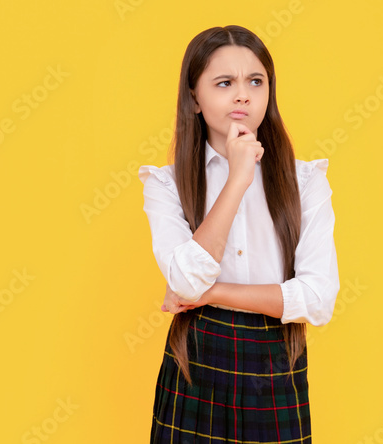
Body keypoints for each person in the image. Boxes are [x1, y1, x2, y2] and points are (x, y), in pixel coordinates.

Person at [137, 25, 339, 443]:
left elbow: (319, 300)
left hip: (276, 366)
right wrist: (237, 178)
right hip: (196, 364)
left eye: (255, 81)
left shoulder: (306, 182)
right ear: (195, 97)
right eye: (224, 83)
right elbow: (186, 280)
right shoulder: (165, 185)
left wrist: (211, 294)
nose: (243, 94)